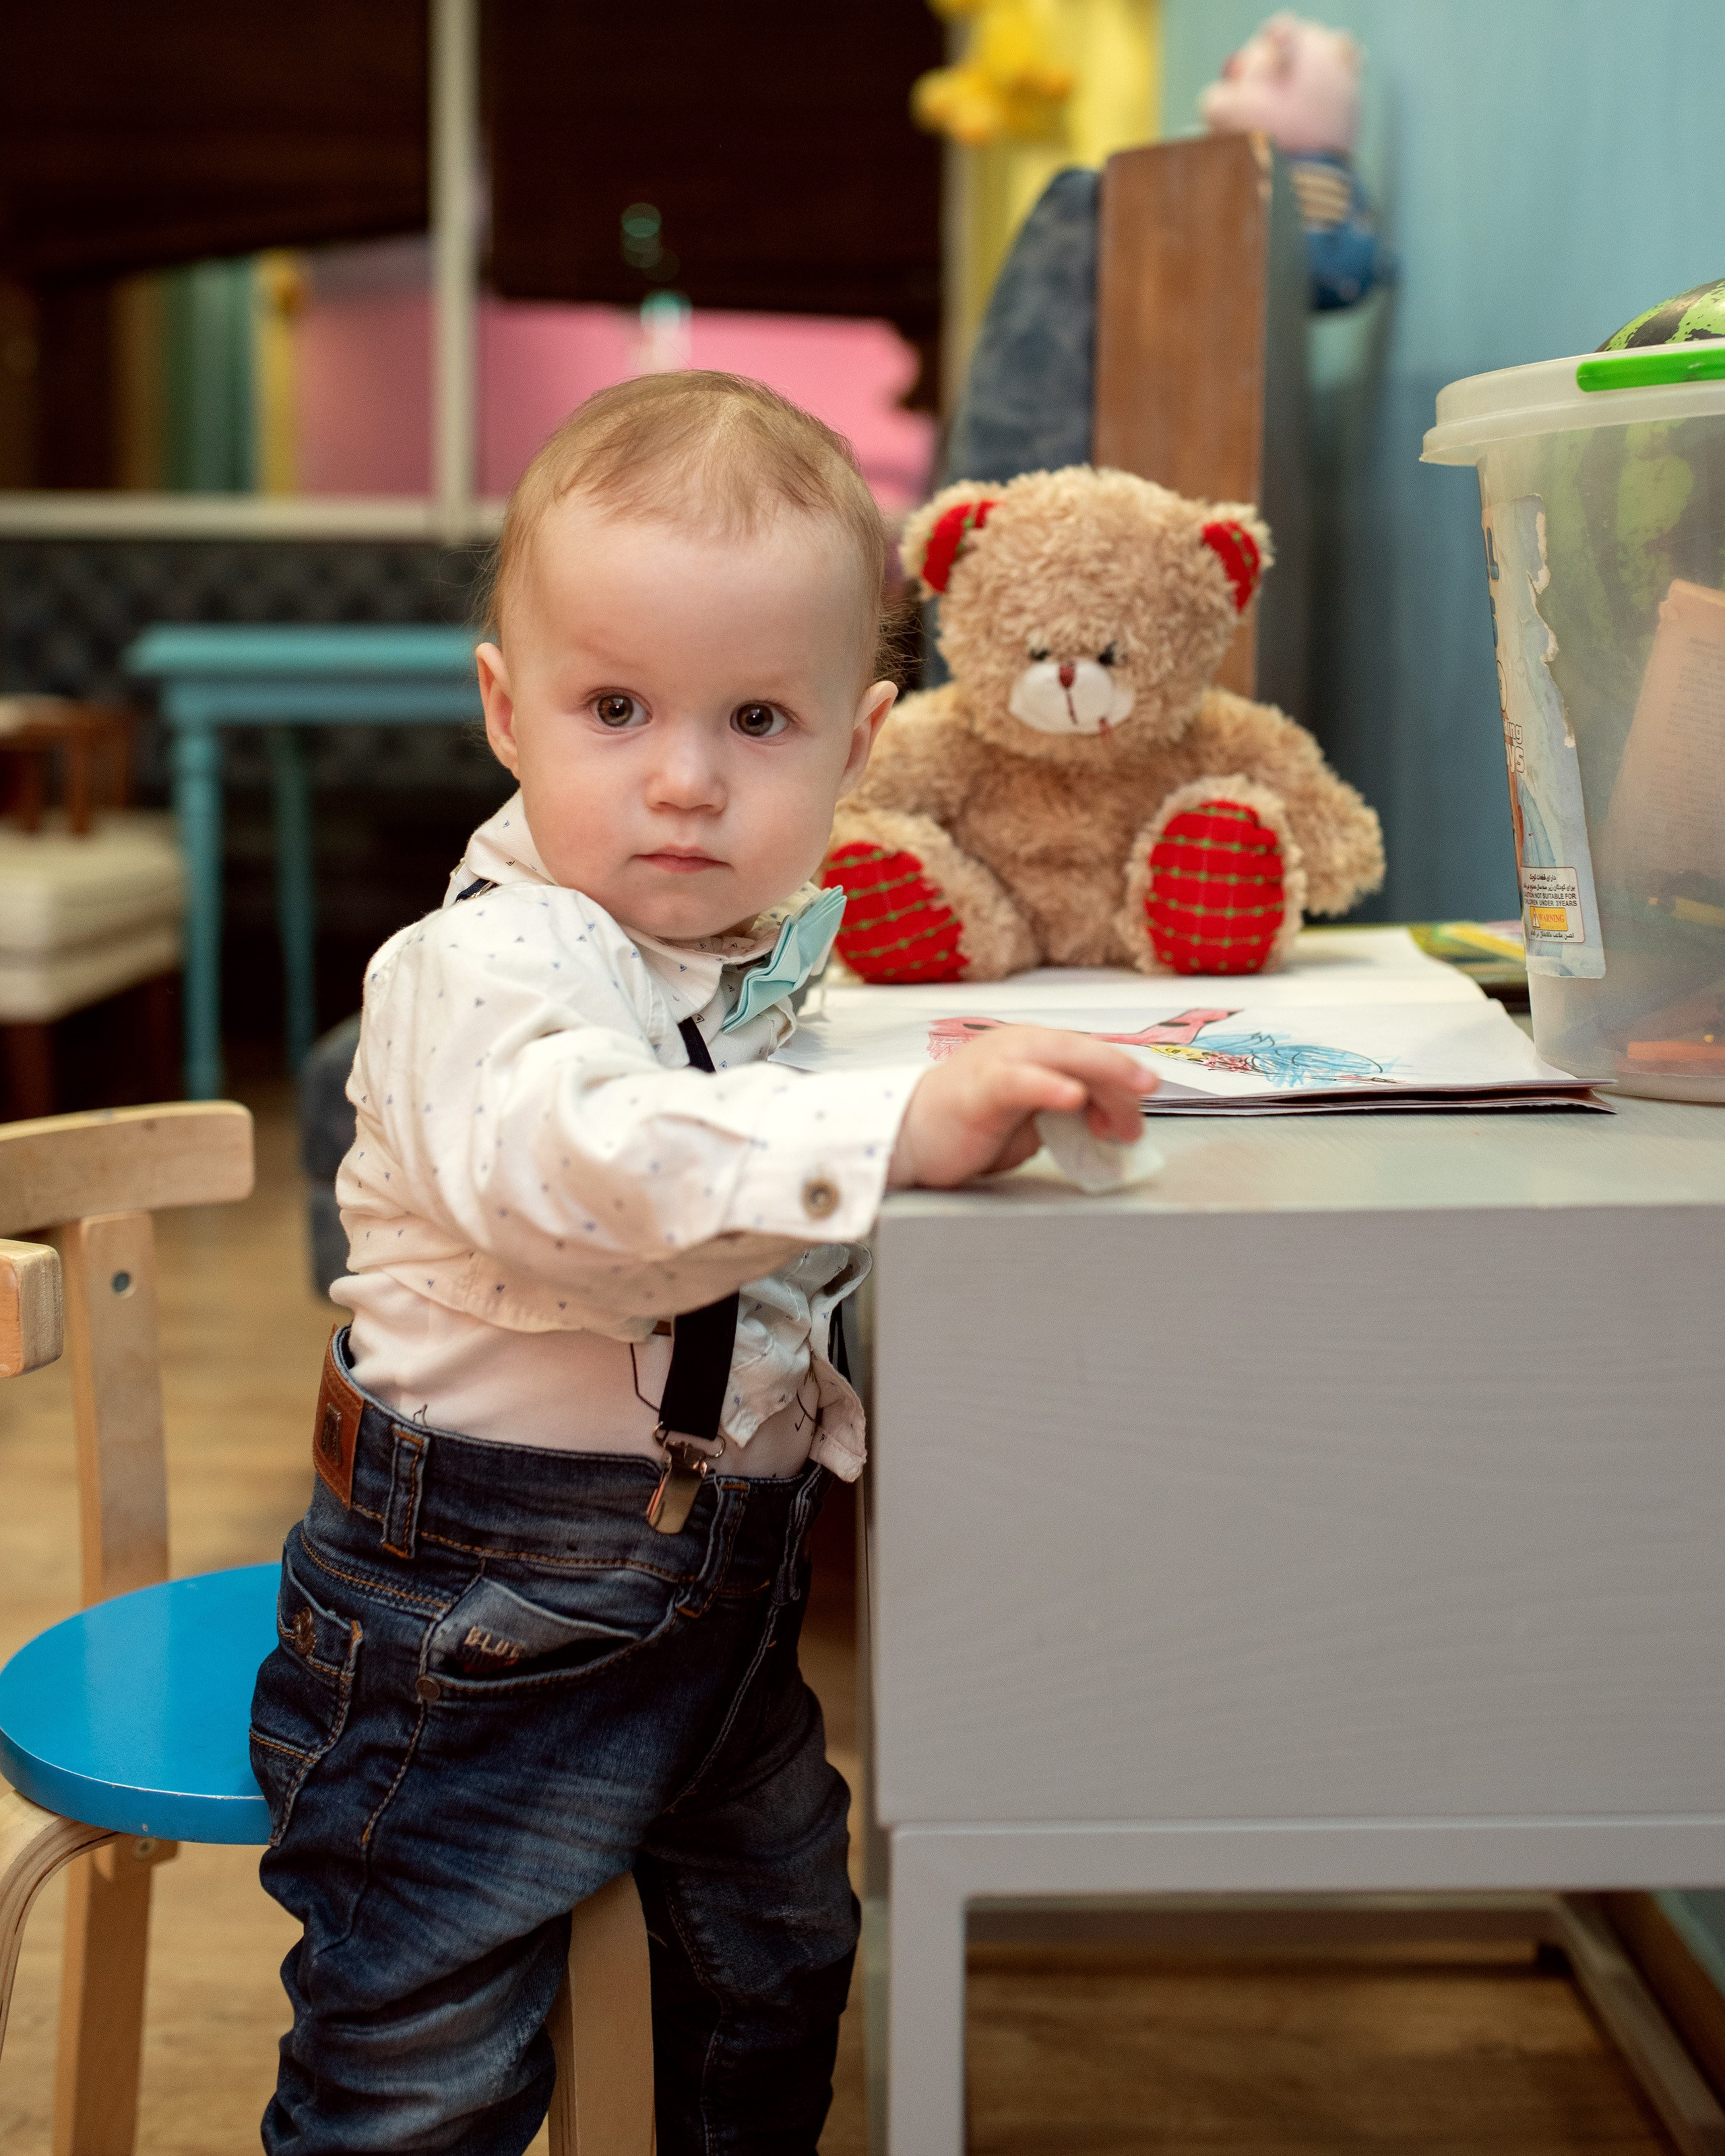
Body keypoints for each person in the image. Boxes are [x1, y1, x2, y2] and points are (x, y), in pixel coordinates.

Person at [250, 371, 1146, 2156]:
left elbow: (790, 1047)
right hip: (479, 1614)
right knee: (423, 2058)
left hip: (720, 1597)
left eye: (756, 719)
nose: (682, 780)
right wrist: (894, 1136)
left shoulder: (761, 946)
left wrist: (983, 1037)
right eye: (614, 707)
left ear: (858, 738)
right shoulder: (484, 972)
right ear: (505, 712)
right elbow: (594, 1166)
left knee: (778, 1962)